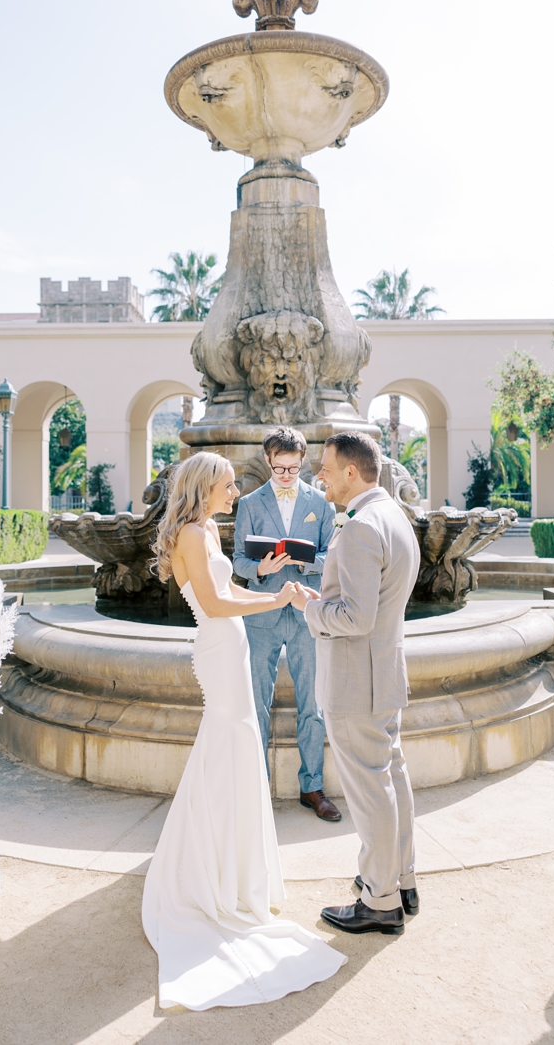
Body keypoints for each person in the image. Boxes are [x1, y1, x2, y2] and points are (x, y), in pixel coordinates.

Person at [141, 451, 346, 1011]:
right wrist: (275, 598)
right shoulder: (190, 534)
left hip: (229, 644)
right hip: (219, 647)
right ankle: (208, 876)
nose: (236, 494)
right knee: (225, 747)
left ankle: (228, 869)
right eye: (230, 486)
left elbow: (229, 598)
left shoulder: (205, 528)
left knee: (230, 751)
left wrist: (279, 595)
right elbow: (214, 602)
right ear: (206, 487)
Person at [289, 431, 421, 935]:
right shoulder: (393, 515)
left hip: (355, 683)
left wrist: (309, 607)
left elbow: (356, 616)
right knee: (391, 780)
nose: (317, 476)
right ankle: (400, 879)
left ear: (351, 472)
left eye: (324, 468)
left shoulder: (363, 525)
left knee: (370, 792)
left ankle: (379, 900)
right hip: (382, 673)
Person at [232, 426, 341, 822]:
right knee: (256, 705)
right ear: (267, 461)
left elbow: (333, 558)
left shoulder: (321, 502)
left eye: (293, 470)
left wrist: (305, 561)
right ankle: (256, 786)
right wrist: (259, 567)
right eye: (279, 469)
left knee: (312, 705)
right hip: (261, 613)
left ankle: (312, 786)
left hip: (306, 614)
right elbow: (237, 562)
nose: (286, 476)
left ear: (303, 461)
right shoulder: (249, 503)